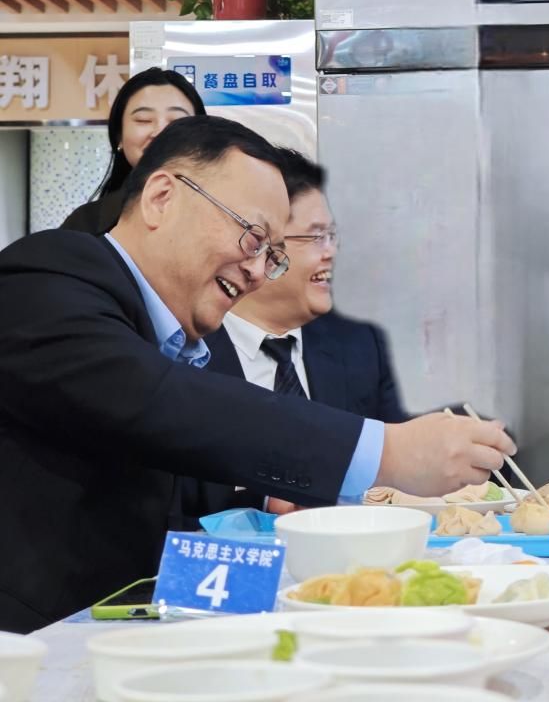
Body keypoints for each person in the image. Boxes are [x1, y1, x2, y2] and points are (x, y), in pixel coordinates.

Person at [0, 116, 514, 633]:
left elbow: (150, 464)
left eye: (272, 255)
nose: (255, 271)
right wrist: (387, 452)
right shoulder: (44, 280)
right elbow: (155, 403)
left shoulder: (167, 333)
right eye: (252, 237)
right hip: (29, 642)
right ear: (161, 198)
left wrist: (264, 498)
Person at [188, 150, 408, 520]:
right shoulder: (183, 350)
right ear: (258, 242)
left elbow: (397, 473)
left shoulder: (359, 345)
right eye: (317, 237)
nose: (332, 252)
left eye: (334, 237)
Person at [61, 67, 206, 234]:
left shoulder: (222, 211)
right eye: (143, 120)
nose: (160, 132)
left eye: (176, 121)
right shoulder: (84, 224)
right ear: (119, 136)